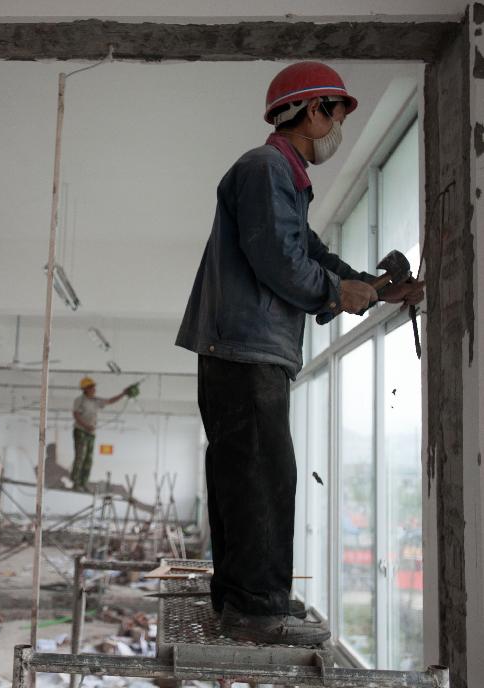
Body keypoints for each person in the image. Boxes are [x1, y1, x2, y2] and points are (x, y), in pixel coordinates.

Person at [175, 61, 424, 645]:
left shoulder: (282, 179)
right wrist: (341, 292)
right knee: (264, 474)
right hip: (245, 347)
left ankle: (242, 604)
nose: (337, 129)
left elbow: (308, 250)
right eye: (337, 115)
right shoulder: (266, 169)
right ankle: (259, 613)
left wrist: (368, 284)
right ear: (313, 112)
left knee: (246, 475)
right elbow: (279, 260)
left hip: (241, 347)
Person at [70, 377, 134, 491]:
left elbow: (110, 401)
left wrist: (123, 394)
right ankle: (76, 482)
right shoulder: (80, 400)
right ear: (86, 389)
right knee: (80, 456)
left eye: (94, 387)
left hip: (91, 433)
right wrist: (85, 426)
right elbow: (76, 415)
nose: (94, 389)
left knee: (88, 459)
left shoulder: (96, 401)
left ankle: (83, 482)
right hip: (80, 431)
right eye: (92, 387)